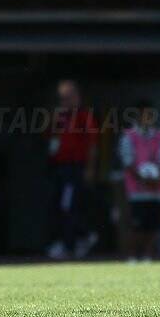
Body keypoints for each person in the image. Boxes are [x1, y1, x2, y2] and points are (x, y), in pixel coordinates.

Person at [45, 79, 99, 260]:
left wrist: (90, 169)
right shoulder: (58, 117)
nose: (65, 102)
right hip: (58, 168)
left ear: (77, 97)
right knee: (57, 205)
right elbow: (47, 138)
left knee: (68, 206)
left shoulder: (84, 117)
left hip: (74, 169)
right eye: (62, 98)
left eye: (68, 98)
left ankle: (76, 241)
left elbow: (92, 145)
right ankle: (72, 240)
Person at [118, 100, 160, 262]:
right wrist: (143, 179)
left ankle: (148, 256)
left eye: (150, 115)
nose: (147, 118)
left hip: (157, 190)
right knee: (137, 225)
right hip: (137, 191)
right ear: (137, 116)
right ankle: (132, 256)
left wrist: (157, 178)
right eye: (144, 115)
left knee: (153, 225)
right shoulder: (129, 136)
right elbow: (128, 162)